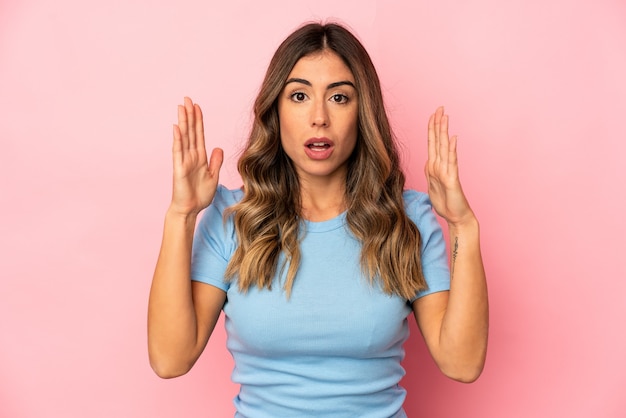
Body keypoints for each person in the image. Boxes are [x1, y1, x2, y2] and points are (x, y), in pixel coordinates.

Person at [148, 22, 488, 418]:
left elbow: (461, 364)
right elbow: (170, 360)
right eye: (299, 95)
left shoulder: (407, 218)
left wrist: (463, 225)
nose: (319, 117)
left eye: (339, 97)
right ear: (276, 110)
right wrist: (181, 215)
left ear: (363, 113)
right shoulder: (232, 219)